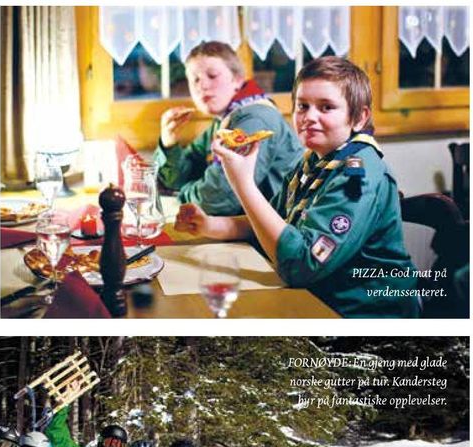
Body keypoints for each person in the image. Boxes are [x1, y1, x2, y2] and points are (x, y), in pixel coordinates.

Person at [176, 57, 419, 318]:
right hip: (319, 296)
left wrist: (243, 184)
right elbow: (271, 223)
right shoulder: (312, 161)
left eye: (326, 107)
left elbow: (303, 266)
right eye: (302, 106)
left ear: (359, 118)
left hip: (364, 314)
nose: (309, 117)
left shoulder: (357, 177)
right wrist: (209, 225)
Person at [153, 40, 302, 216]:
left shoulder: (253, 121)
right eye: (195, 79)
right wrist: (169, 142)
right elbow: (176, 179)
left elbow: (215, 202)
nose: (202, 86)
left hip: (274, 233)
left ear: (237, 80)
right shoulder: (224, 120)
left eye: (212, 75)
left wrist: (183, 193)